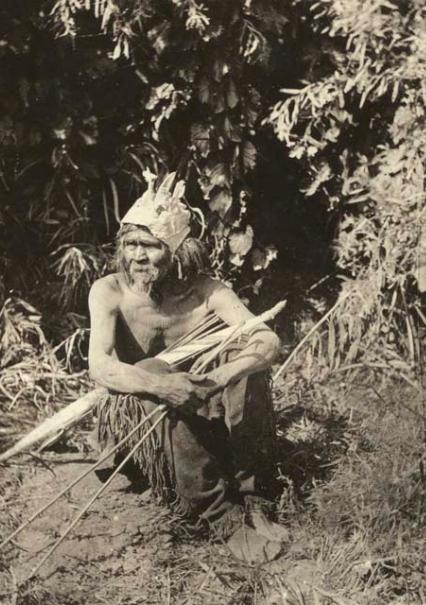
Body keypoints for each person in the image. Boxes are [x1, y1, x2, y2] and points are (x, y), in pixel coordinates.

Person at [88, 171, 280, 534]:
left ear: (177, 251)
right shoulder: (109, 291)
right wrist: (163, 386)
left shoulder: (206, 292)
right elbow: (100, 365)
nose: (139, 257)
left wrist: (218, 378)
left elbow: (268, 341)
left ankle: (257, 495)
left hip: (204, 410)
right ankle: (214, 513)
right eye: (131, 245)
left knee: (246, 356)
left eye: (152, 245)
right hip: (147, 422)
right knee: (151, 368)